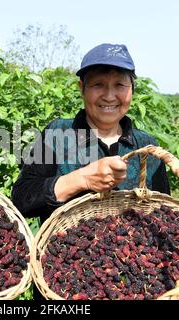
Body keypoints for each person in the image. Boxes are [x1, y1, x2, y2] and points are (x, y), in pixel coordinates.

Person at [12, 43, 170, 224]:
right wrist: (82, 179)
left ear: (132, 89)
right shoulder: (58, 133)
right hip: (64, 248)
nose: (109, 96)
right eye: (98, 84)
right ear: (82, 88)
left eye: (119, 84)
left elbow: (164, 213)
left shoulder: (145, 146)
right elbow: (21, 200)